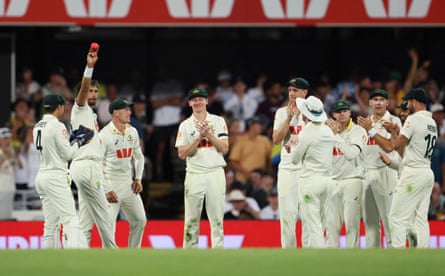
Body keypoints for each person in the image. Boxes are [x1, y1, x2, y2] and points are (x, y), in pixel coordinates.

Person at [69, 44, 117, 248]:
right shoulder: (79, 109)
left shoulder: (92, 116)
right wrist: (89, 67)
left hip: (86, 167)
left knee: (86, 220)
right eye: (90, 90)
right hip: (87, 166)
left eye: (96, 91)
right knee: (104, 213)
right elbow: (82, 91)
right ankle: (114, 254)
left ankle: (80, 256)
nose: (93, 94)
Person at [33, 94, 92, 248]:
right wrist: (79, 142)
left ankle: (48, 260)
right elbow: (67, 154)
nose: (64, 108)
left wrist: (70, 139)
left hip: (42, 176)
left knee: (51, 224)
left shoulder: (37, 126)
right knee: (70, 219)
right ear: (58, 107)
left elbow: (53, 148)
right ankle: (73, 256)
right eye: (63, 106)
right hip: (55, 176)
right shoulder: (58, 126)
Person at [175, 88, 229, 249]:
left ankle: (218, 253)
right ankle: (189, 255)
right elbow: (182, 153)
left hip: (215, 173)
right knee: (191, 219)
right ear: (189, 103)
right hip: (194, 174)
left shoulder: (218, 121)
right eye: (194, 99)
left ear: (207, 101)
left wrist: (209, 135)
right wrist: (199, 138)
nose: (197, 102)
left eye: (201, 99)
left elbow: (224, 148)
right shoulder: (185, 125)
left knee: (217, 218)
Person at [386, 88, 437, 248]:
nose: (407, 106)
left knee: (396, 217)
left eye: (408, 102)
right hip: (427, 172)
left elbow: (395, 145)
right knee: (420, 218)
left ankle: (398, 255)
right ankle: (422, 255)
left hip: (413, 173)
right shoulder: (432, 122)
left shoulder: (413, 119)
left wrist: (393, 132)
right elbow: (406, 148)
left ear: (415, 101)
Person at [99, 99, 146, 248]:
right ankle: (110, 258)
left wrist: (138, 178)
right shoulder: (104, 135)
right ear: (115, 113)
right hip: (110, 183)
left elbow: (138, 156)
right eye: (126, 110)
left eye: (129, 109)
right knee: (108, 225)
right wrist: (106, 189)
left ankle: (133, 255)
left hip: (128, 182)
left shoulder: (132, 131)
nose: (129, 112)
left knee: (140, 220)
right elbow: (97, 165)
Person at [357, 89, 401, 248]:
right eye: (375, 99)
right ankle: (372, 258)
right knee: (370, 221)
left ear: (387, 103)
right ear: (370, 103)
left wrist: (371, 130)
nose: (378, 103)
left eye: (381, 100)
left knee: (389, 218)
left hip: (386, 172)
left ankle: (394, 252)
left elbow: (390, 147)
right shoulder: (364, 123)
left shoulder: (394, 121)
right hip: (368, 173)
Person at [290, 95, 334, 248]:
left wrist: (294, 147)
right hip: (329, 181)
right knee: (321, 222)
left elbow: (294, 159)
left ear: (304, 113)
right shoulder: (328, 131)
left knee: (312, 223)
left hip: (311, 181)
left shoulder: (306, 132)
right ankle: (311, 254)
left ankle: (319, 258)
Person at [325, 100, 367, 248]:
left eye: (344, 111)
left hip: (353, 180)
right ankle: (330, 261)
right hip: (332, 181)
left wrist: (336, 136)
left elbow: (351, 154)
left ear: (350, 112)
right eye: (338, 111)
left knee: (351, 224)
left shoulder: (358, 131)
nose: (342, 114)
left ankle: (353, 260)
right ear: (333, 115)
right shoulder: (326, 133)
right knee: (331, 226)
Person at [272, 77, 308, 248]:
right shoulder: (281, 112)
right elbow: (276, 138)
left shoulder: (314, 112)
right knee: (287, 214)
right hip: (287, 168)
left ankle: (310, 252)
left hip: (308, 169)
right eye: (290, 90)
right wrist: (288, 117)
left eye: (295, 90)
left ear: (304, 93)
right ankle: (289, 253)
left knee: (309, 214)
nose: (292, 94)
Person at [0, 128, 18, 220]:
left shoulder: (11, 150)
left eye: (8, 138)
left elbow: (18, 165)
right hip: (1, 188)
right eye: (5, 138)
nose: (7, 141)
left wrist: (14, 156)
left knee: (7, 215)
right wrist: (5, 154)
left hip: (10, 187)